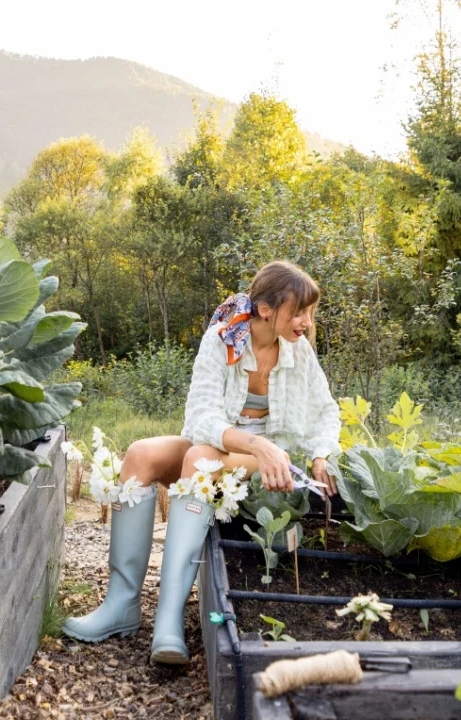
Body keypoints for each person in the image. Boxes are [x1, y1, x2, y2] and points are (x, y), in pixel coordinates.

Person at [62, 261, 342, 665]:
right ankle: (120, 606)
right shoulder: (222, 340)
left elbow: (326, 411)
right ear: (267, 310)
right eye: (299, 312)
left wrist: (320, 454)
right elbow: (201, 419)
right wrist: (253, 444)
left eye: (310, 312)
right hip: (225, 447)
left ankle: (169, 618)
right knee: (141, 453)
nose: (307, 322)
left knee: (199, 457)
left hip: (266, 463)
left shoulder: (300, 353)